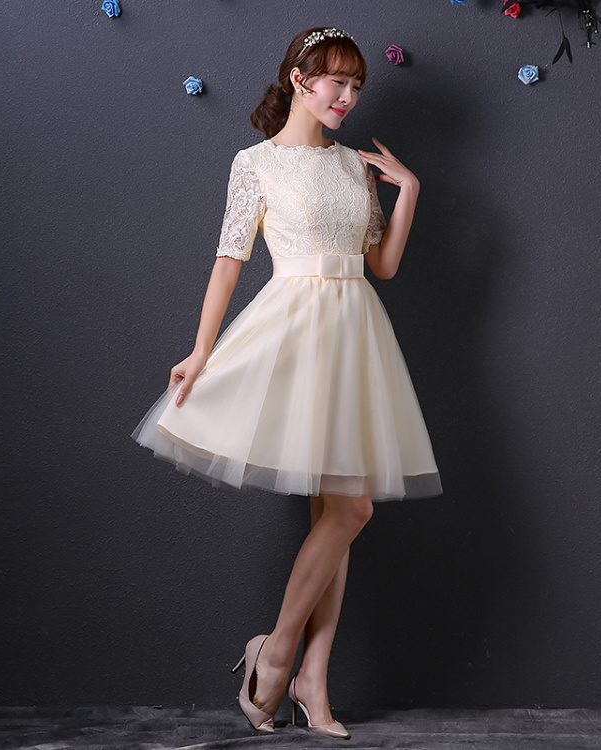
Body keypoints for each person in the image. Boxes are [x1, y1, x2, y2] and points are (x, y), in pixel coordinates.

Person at [133, 26, 441, 739]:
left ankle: (308, 679)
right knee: (349, 510)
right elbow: (229, 260)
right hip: (296, 332)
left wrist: (410, 192)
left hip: (355, 331)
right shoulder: (255, 164)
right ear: (300, 79)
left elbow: (382, 267)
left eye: (357, 86)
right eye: (338, 81)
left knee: (340, 512)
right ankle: (276, 656)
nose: (349, 97)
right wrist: (201, 350)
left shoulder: (354, 166)